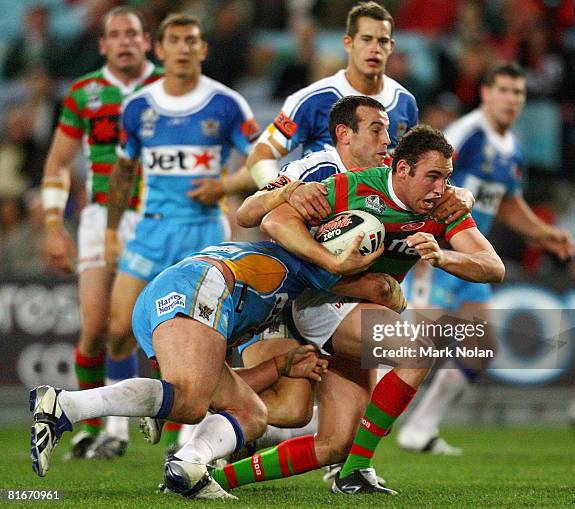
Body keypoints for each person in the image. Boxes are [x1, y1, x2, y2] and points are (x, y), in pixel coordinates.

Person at [177, 125, 504, 496]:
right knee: (416, 351)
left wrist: (443, 256)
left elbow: (492, 266)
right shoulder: (352, 186)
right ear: (401, 170)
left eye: (446, 178)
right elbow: (273, 219)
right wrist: (330, 264)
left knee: (334, 443)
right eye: (432, 177)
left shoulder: (441, 207)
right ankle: (357, 470)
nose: (440, 189)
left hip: (361, 313)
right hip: (321, 302)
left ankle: (208, 480)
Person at [29, 236, 408, 494]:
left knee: (251, 414)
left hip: (185, 293)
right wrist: (383, 274)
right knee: (191, 402)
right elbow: (379, 291)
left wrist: (279, 366)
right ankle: (65, 405)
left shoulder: (282, 262)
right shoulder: (312, 265)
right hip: (201, 287)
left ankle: (189, 464)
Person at [226, 95, 474, 459]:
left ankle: (334, 464)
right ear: (344, 134)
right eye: (377, 130)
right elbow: (248, 214)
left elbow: (433, 184)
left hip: (340, 304)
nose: (387, 140)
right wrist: (288, 193)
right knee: (286, 406)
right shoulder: (315, 169)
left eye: (388, 130)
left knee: (325, 422)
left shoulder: (391, 172)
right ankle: (189, 416)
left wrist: (463, 195)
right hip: (282, 299)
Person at [94, 12, 256, 458]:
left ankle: (192, 441)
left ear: (203, 50)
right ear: (158, 49)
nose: (184, 48)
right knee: (118, 328)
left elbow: (261, 164)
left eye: (192, 41)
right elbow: (124, 171)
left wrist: (224, 186)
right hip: (152, 232)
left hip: (204, 235)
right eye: (175, 41)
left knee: (209, 344)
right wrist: (111, 231)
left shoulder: (226, 104)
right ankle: (115, 432)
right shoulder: (138, 108)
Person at [397, 63, 575, 455]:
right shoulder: (467, 134)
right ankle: (332, 432)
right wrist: (424, 250)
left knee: (480, 345)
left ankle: (420, 430)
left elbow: (507, 202)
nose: (512, 99)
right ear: (485, 93)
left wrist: (544, 234)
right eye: (505, 90)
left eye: (519, 92)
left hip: (469, 261)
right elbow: (422, 183)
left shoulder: (511, 146)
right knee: (409, 353)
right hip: (437, 254)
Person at [41, 6, 163, 459]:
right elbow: (56, 164)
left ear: (146, 41)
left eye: (133, 33)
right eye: (116, 35)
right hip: (98, 216)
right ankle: (88, 427)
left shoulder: (168, 88)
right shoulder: (84, 93)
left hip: (158, 215)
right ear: (103, 44)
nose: (125, 41)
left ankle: (122, 430)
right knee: (95, 327)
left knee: (131, 326)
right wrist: (54, 226)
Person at [194, 1, 419, 204]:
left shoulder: (405, 101)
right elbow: (261, 154)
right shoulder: (313, 99)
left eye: (382, 41)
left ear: (391, 46)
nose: (374, 49)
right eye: (366, 39)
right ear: (348, 43)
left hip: (383, 221)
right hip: (321, 220)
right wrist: (284, 193)